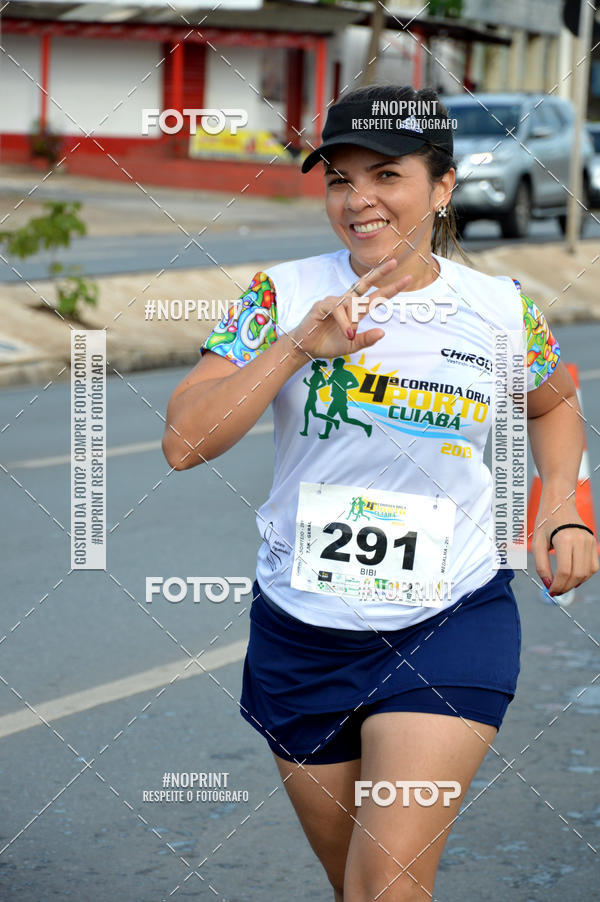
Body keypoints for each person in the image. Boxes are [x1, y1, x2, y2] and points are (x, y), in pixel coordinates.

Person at [162, 84, 599, 901]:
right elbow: (185, 443)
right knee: (352, 882)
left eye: (386, 174)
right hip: (303, 630)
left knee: (387, 884)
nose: (359, 201)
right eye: (339, 178)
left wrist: (567, 506)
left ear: (441, 187)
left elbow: (554, 402)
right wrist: (298, 347)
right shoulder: (281, 294)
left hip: (451, 615)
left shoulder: (499, 308)